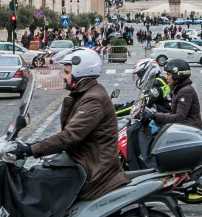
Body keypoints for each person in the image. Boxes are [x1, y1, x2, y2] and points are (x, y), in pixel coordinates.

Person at [11, 48, 130, 200]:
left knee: (38, 183)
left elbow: (70, 136)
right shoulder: (86, 94)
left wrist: (31, 149)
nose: (64, 76)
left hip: (94, 171)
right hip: (85, 162)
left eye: (67, 72)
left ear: (80, 73)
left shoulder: (93, 99)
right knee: (42, 173)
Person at [144, 58, 202, 129]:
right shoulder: (178, 89)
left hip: (189, 128)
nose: (166, 78)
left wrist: (155, 116)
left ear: (177, 75)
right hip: (182, 127)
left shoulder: (186, 91)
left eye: (168, 75)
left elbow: (179, 117)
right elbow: (173, 114)